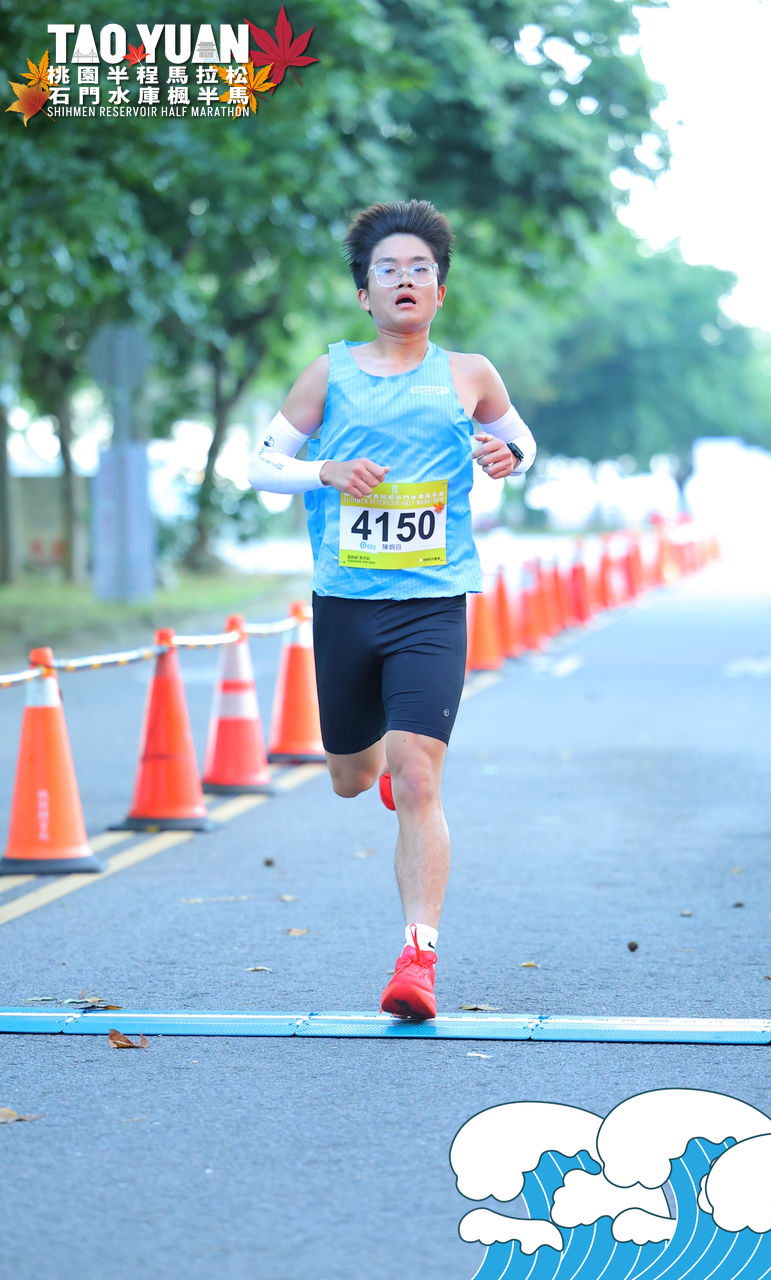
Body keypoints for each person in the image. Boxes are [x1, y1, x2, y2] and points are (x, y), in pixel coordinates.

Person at [247, 199, 536, 1019]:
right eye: (388, 270)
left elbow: (523, 443)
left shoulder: (469, 374)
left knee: (417, 776)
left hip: (432, 603)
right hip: (346, 603)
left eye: (419, 270)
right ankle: (378, 770)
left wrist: (506, 454)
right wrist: (324, 471)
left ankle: (418, 958)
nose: (404, 280)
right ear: (364, 294)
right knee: (353, 778)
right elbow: (259, 465)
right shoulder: (327, 374)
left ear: (438, 292)